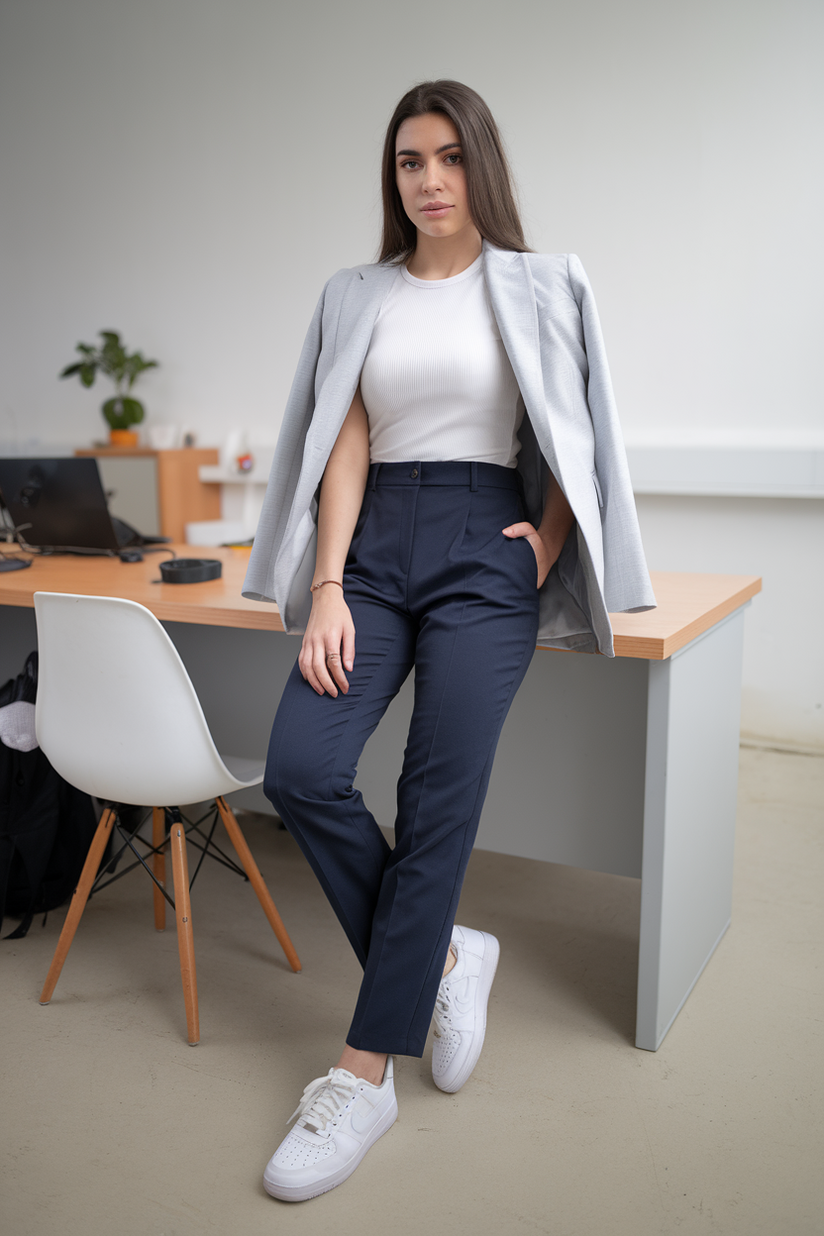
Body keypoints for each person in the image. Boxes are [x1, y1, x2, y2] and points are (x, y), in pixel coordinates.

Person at [243, 80, 655, 1202]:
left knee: (435, 804)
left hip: (486, 545)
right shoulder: (353, 294)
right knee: (302, 768)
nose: (426, 181)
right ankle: (446, 956)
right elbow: (343, 445)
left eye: (445, 158)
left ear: (480, 164)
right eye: (406, 164)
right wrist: (326, 584)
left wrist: (542, 543)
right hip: (372, 548)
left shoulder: (542, 280)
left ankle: (362, 1072)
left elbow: (577, 427)